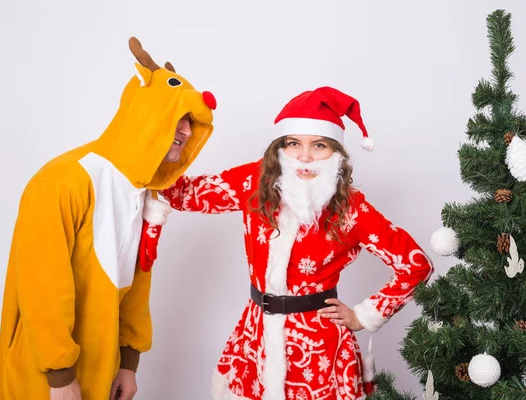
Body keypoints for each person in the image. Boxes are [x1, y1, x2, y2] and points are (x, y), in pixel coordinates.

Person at [144, 86, 433, 399]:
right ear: (280, 147)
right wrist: (161, 139)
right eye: (294, 143)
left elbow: (415, 265)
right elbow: (184, 194)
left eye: (318, 145)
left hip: (317, 350)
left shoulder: (351, 207)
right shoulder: (254, 182)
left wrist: (363, 316)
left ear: (335, 152)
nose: (305, 157)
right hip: (256, 338)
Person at [0, 37, 217, 400]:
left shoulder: (145, 191)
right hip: (46, 380)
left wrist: (128, 361)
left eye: (191, 122)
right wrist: (61, 377)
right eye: (179, 118)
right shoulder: (63, 181)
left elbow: (138, 281)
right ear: (146, 114)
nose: (187, 131)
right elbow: (42, 287)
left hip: (104, 370)